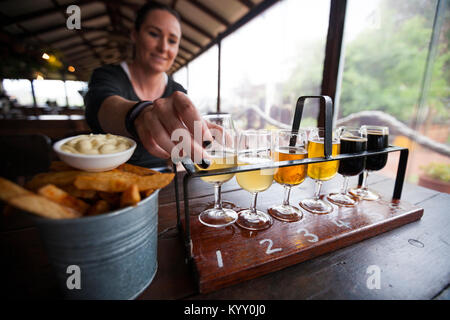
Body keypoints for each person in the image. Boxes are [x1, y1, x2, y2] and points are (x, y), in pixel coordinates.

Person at [84, 1, 212, 169]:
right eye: (154, 34)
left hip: (164, 181)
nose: (163, 47)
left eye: (172, 41)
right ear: (134, 35)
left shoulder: (178, 92)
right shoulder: (108, 75)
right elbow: (102, 107)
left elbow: (179, 156)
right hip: (111, 176)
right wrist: (139, 115)